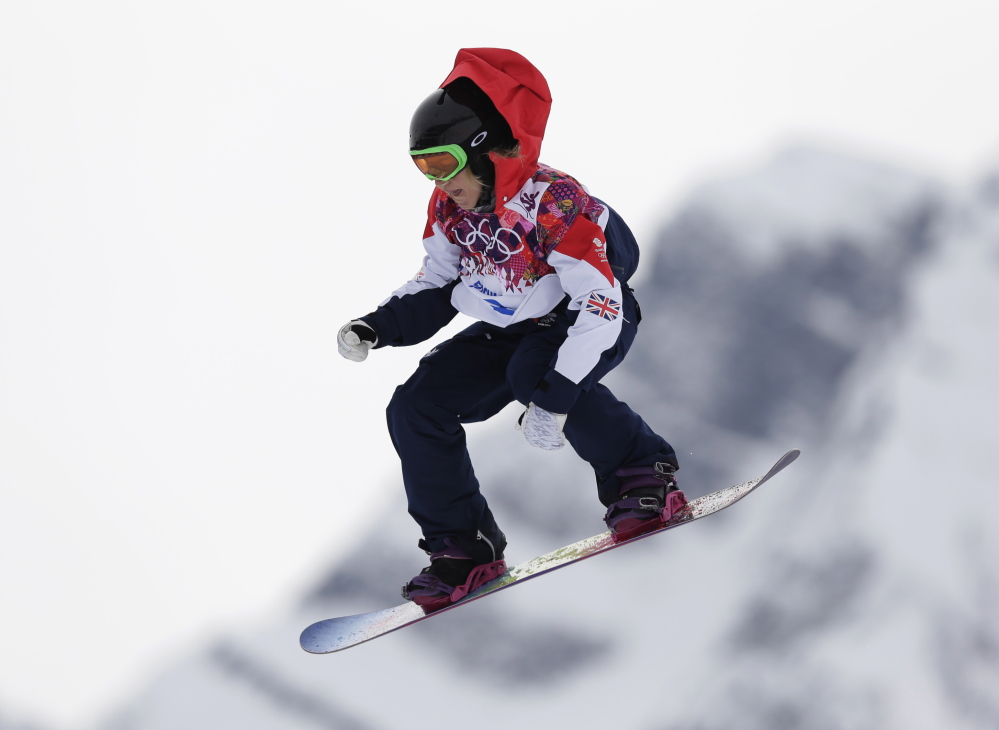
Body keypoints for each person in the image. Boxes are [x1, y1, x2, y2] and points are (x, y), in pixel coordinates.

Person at [337, 48, 685, 613]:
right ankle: (463, 549)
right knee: (415, 407)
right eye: (421, 166)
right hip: (510, 325)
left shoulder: (554, 203)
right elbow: (437, 280)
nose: (436, 181)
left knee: (533, 375)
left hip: (587, 318)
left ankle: (643, 476)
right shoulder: (450, 210)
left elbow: (600, 303)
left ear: (482, 151)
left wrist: (557, 396)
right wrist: (378, 326)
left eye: (441, 163)